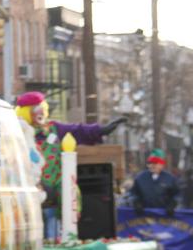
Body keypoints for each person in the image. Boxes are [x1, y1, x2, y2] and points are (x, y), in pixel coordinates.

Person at [14, 91, 125, 241]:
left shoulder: (53, 129)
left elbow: (78, 131)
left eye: (42, 109)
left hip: (56, 191)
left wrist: (101, 130)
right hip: (31, 191)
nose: (40, 113)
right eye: (35, 110)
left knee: (54, 223)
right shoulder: (18, 132)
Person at [128, 149, 180, 250]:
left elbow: (176, 194)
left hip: (163, 219)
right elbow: (133, 193)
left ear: (161, 165)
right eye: (150, 163)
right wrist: (136, 203)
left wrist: (172, 205)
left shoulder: (169, 178)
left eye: (155, 164)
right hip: (144, 218)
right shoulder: (141, 178)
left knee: (162, 247)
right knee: (145, 245)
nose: (152, 166)